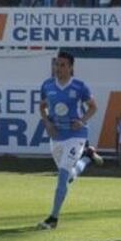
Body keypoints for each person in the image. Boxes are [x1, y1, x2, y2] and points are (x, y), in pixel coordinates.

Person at [36, 51, 103, 230]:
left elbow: (93, 107)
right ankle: (87, 158)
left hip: (76, 136)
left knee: (63, 175)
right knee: (68, 177)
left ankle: (53, 218)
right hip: (57, 136)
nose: (59, 68)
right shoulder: (47, 85)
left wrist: (82, 121)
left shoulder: (80, 86)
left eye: (63, 65)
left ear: (71, 67)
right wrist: (47, 123)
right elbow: (42, 107)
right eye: (57, 64)